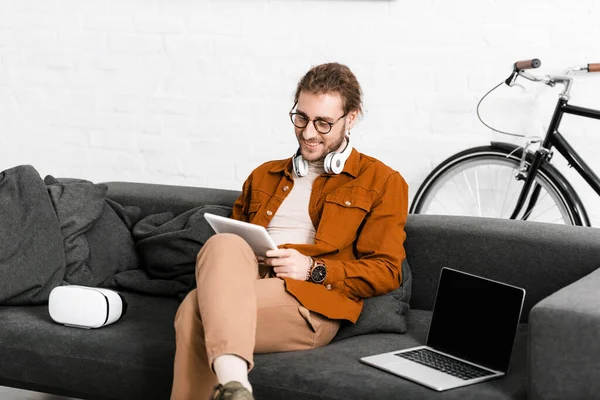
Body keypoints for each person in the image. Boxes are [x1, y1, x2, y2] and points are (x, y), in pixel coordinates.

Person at [171, 62, 408, 400]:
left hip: (308, 301)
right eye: (301, 118)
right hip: (246, 283)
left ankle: (234, 384)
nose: (309, 133)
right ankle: (235, 387)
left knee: (194, 311)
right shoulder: (263, 175)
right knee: (224, 242)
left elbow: (386, 272)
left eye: (324, 123)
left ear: (351, 118)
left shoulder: (382, 182)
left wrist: (313, 269)